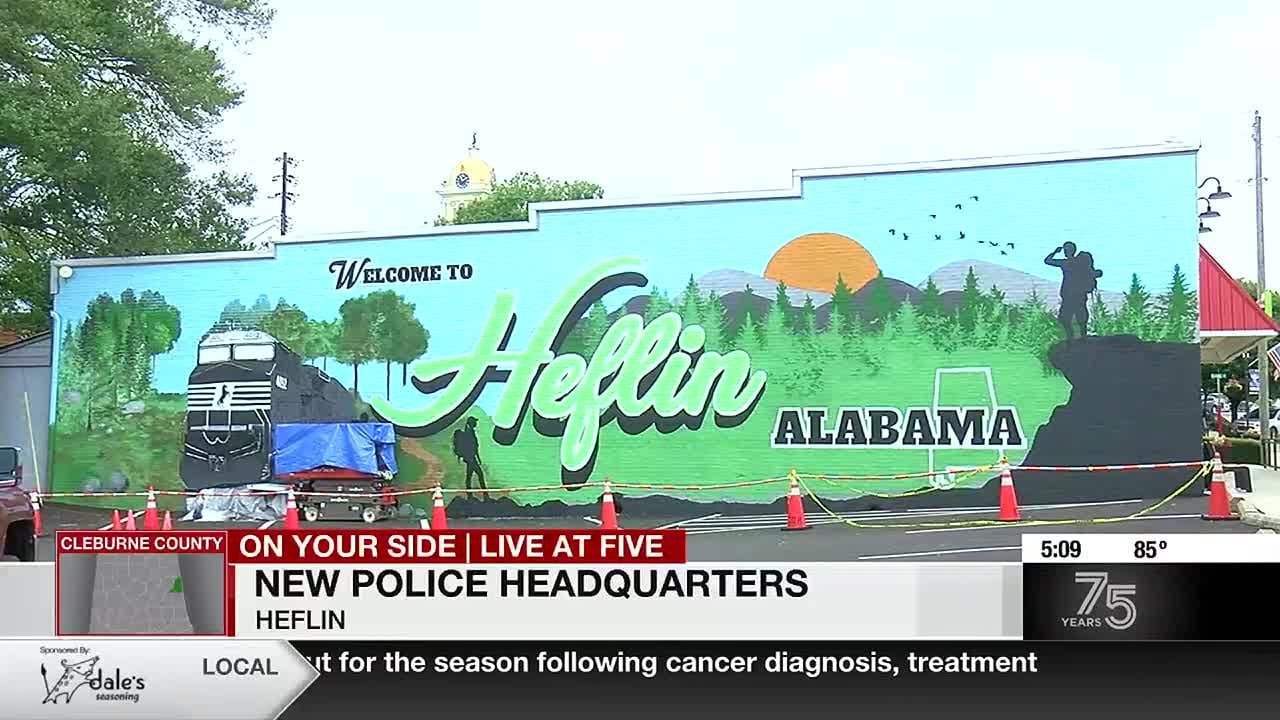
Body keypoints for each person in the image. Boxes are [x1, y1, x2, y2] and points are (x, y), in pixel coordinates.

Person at [1044, 242, 1104, 339]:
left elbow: (1047, 260)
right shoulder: (1081, 263)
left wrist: (1055, 252)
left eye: (1065, 250)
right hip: (1080, 296)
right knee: (1081, 319)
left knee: (1066, 319)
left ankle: (1070, 338)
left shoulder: (1065, 263)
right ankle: (1082, 338)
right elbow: (1094, 273)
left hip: (1068, 296)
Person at [452, 417, 488, 497]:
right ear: (471, 423)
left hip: (470, 458)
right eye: (474, 422)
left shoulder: (470, 431)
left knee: (470, 476)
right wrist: (475, 458)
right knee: (479, 475)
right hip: (471, 458)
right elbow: (472, 446)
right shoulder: (469, 432)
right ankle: (484, 494)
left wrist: (478, 458)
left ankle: (470, 494)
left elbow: (475, 447)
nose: (476, 423)